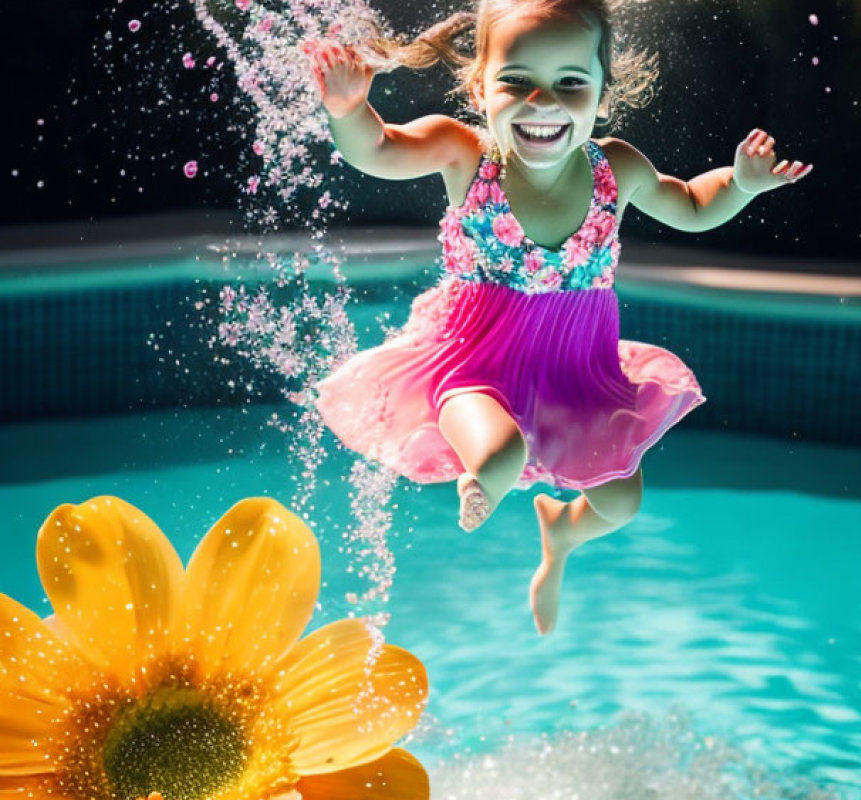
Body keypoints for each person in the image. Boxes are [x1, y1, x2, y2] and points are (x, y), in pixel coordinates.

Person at [306, 0, 812, 634]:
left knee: (621, 502)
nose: (543, 101)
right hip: (469, 364)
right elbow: (378, 148)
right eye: (517, 81)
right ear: (479, 86)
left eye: (571, 83)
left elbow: (688, 203)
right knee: (497, 459)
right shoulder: (464, 153)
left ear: (602, 97)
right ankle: (481, 479)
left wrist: (738, 184)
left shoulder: (615, 170)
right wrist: (350, 111)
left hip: (578, 374)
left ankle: (563, 534)